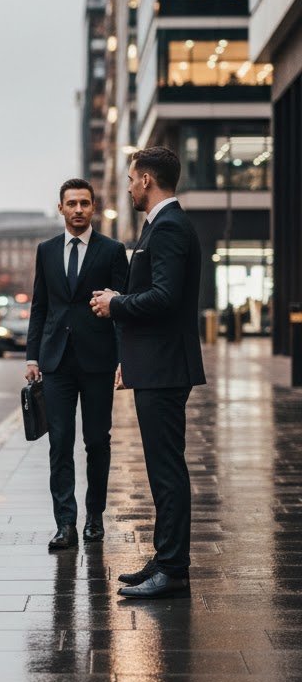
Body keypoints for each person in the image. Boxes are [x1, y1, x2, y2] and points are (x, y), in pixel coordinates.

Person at [90, 146, 206, 599]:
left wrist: (114, 304)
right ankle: (164, 558)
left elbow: (164, 298)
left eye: (132, 179)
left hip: (164, 368)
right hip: (154, 365)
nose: (129, 186)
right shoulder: (161, 225)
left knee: (167, 469)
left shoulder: (171, 226)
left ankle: (173, 568)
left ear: (146, 180)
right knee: (162, 468)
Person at [25, 179, 128, 552]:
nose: (79, 209)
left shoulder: (113, 251)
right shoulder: (46, 250)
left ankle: (95, 518)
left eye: (85, 203)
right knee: (60, 444)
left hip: (98, 361)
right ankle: (65, 524)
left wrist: (123, 360)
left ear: (94, 208)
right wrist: (32, 355)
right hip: (55, 362)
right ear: (61, 208)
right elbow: (41, 304)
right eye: (72, 203)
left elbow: (121, 309)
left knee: (97, 442)